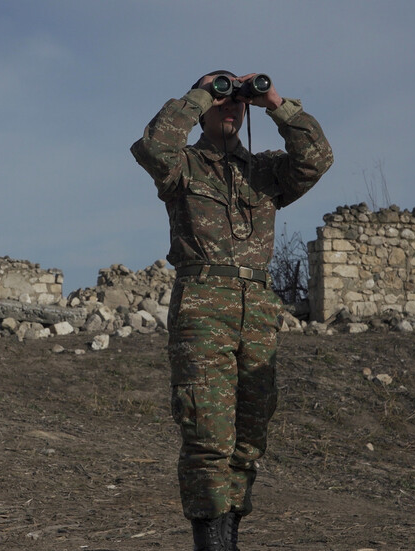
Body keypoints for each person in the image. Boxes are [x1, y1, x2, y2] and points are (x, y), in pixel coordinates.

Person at [130, 70, 333, 551]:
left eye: (235, 101)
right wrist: (202, 92)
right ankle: (210, 541)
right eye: (222, 99)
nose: (229, 106)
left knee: (251, 433)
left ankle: (230, 534)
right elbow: (153, 144)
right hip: (203, 307)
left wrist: (273, 102)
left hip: (258, 311)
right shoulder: (183, 165)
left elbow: (317, 158)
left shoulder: (264, 171)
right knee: (207, 432)